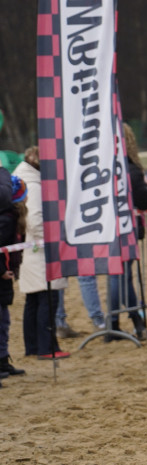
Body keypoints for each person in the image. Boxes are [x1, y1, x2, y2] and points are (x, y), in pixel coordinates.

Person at [14, 146, 69, 359]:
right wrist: (52, 238)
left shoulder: (22, 180)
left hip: (28, 251)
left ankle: (33, 345)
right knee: (48, 299)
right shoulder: (35, 186)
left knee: (34, 300)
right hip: (39, 250)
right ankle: (47, 347)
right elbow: (35, 221)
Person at [106, 126, 147, 341]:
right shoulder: (131, 169)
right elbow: (145, 200)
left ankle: (116, 323)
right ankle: (135, 321)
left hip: (106, 228)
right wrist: (146, 187)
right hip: (126, 227)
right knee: (124, 277)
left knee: (116, 277)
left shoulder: (102, 167)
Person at [0, 170, 27, 381]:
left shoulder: (11, 217)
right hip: (2, 275)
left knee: (5, 320)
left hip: (5, 276)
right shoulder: (7, 219)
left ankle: (3, 361)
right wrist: (2, 270)